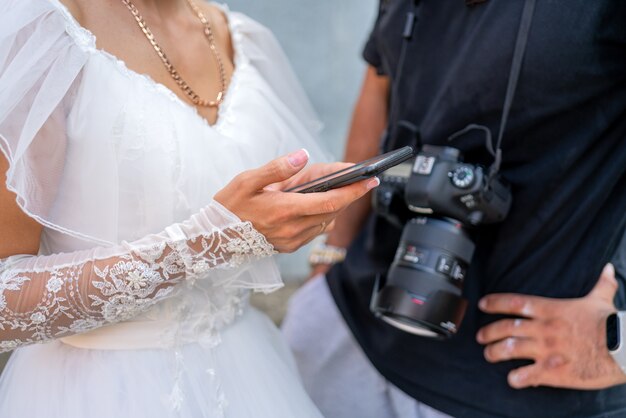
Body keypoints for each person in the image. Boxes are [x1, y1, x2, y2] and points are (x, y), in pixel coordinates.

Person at [0, 0, 380, 416]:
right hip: (102, 390)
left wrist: (280, 206)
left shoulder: (239, 35)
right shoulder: (45, 30)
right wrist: (208, 243)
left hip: (249, 373)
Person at [283, 1, 626, 417]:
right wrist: (330, 256)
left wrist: (620, 345)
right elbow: (379, 82)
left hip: (514, 388)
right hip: (342, 324)